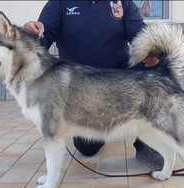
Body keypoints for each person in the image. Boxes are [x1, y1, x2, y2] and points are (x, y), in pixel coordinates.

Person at [23, 0, 164, 170]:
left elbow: (140, 36)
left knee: (154, 65)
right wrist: (29, 36)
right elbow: (41, 39)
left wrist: (151, 50)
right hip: (81, 90)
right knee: (87, 149)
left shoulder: (123, 3)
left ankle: (146, 144)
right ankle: (106, 126)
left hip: (119, 81)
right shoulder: (59, 3)